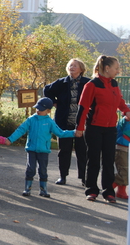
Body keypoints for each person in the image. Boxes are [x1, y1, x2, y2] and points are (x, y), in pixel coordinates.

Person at [76, 55, 130, 203]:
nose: (118, 71)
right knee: (94, 159)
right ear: (107, 68)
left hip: (110, 129)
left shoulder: (114, 83)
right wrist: (80, 128)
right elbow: (82, 108)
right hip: (94, 127)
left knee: (108, 161)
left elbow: (119, 100)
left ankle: (108, 192)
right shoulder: (92, 85)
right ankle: (91, 190)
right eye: (116, 68)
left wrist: (126, 110)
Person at [7, 97, 77, 197]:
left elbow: (60, 133)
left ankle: (43, 189)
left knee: (43, 170)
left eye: (41, 109)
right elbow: (21, 130)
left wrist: (73, 133)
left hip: (43, 150)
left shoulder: (50, 122)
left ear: (48, 111)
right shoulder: (31, 119)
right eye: (37, 108)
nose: (38, 111)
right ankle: (27, 188)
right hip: (31, 149)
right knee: (30, 168)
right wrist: (10, 139)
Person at [44, 58, 90, 186]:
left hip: (82, 124)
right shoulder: (62, 82)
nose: (72, 67)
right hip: (64, 122)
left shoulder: (87, 83)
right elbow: (47, 90)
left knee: (82, 151)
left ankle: (84, 178)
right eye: (70, 65)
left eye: (75, 66)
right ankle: (63, 176)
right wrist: (54, 102)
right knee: (64, 150)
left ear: (81, 69)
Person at [114, 104, 130, 199]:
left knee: (126, 170)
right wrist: (126, 117)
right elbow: (124, 121)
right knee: (124, 171)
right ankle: (110, 186)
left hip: (127, 150)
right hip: (121, 150)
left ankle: (121, 191)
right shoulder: (123, 122)